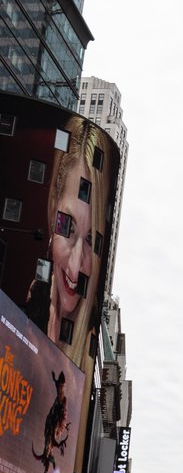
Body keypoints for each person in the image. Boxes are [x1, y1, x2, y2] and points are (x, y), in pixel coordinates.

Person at [25, 117, 110, 370]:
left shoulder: (90, 343)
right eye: (67, 227)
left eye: (90, 241)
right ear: (53, 213)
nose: (75, 265)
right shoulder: (26, 307)